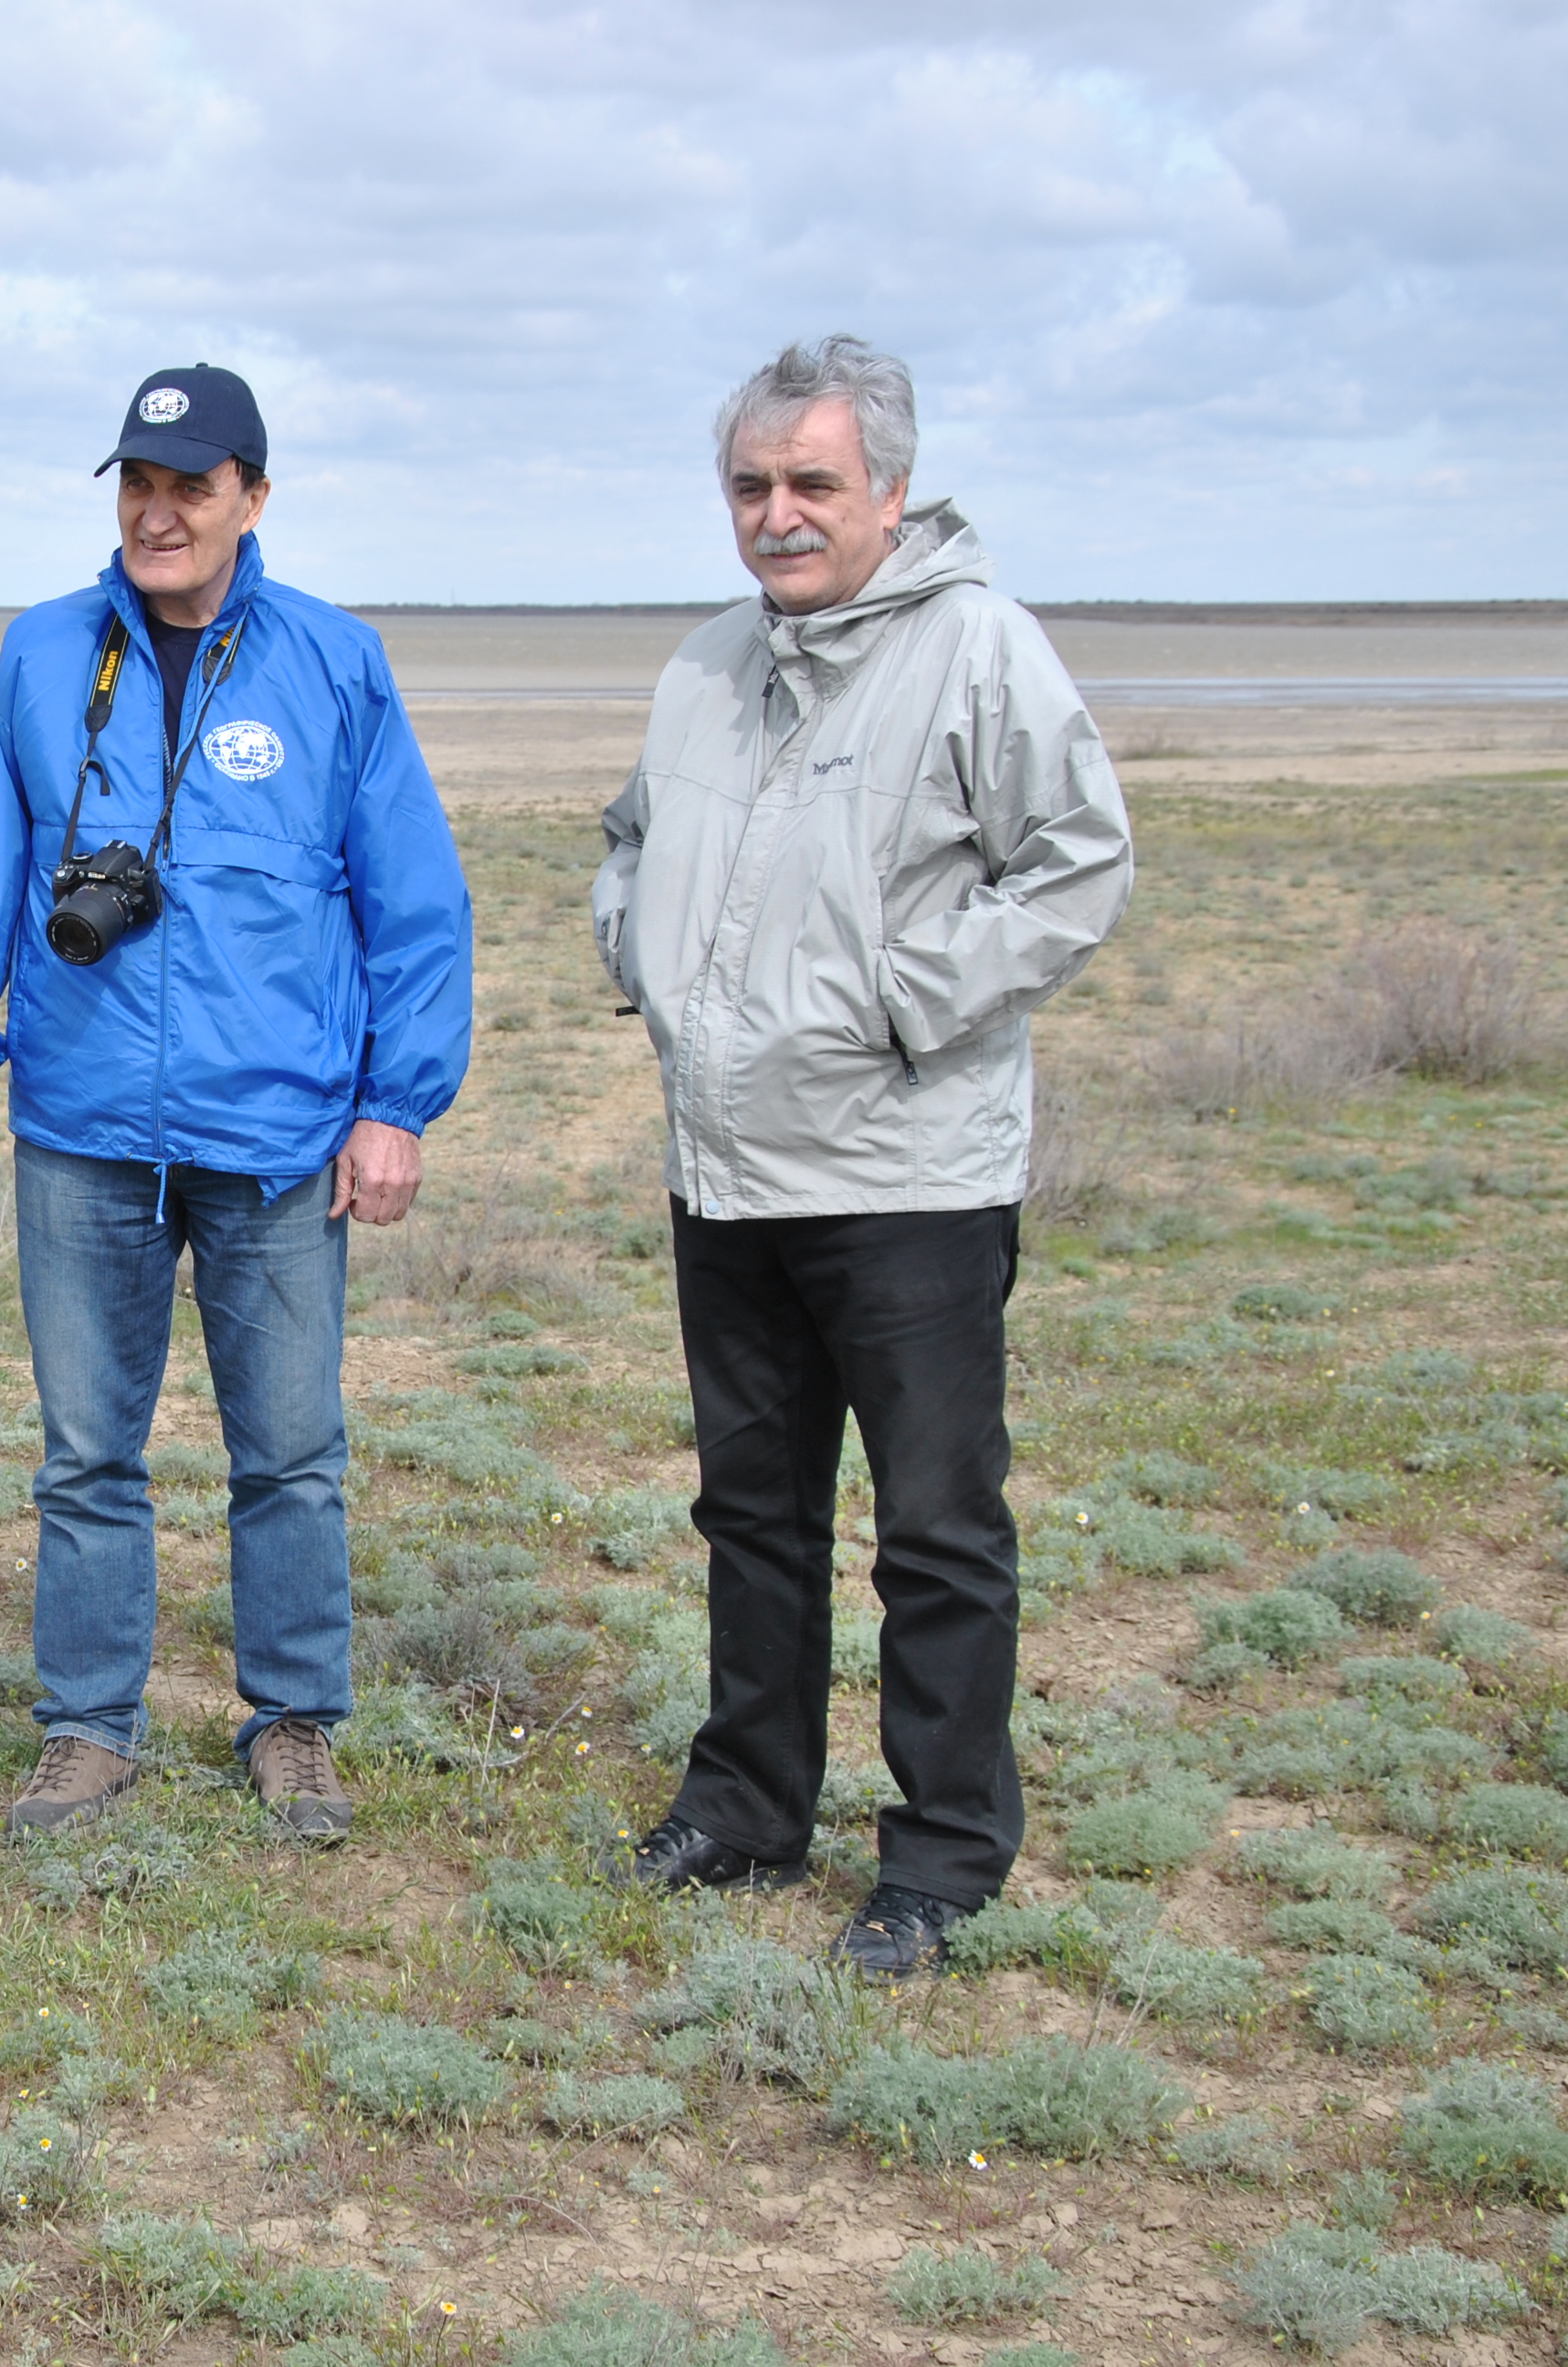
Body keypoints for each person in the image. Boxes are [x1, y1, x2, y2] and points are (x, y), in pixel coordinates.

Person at [593, 334, 1134, 1975]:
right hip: (729, 1169)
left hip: (908, 1177)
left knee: (937, 1534)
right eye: (750, 484)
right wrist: (648, 963)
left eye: (812, 483)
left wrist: (898, 1002)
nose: (778, 514)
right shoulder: (710, 662)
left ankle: (943, 1860)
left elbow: (1077, 864)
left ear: (890, 492)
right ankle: (747, 1807)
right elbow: (631, 842)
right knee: (752, 1515)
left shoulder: (979, 649)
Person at [0, 363, 474, 1844]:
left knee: (289, 1454)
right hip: (83, 1125)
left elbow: (415, 901)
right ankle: (88, 1730)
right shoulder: (45, 653)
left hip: (278, 1132)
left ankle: (294, 1724)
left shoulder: (334, 661)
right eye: (139, 486)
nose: (159, 514)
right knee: (87, 1454)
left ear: (253, 498)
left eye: (193, 487)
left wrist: (396, 1104)